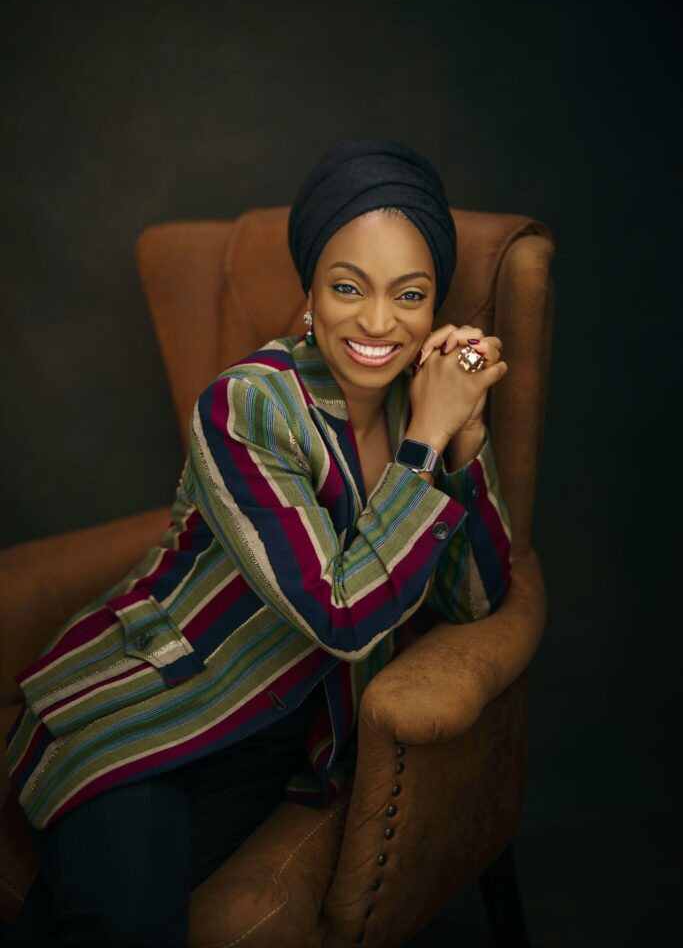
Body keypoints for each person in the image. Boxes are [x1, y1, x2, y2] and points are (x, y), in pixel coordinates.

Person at [3, 138, 512, 946]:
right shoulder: (248, 405)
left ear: (433, 306)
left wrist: (464, 438)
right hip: (148, 705)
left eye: (409, 295)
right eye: (347, 287)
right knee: (122, 923)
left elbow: (477, 598)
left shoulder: (421, 405)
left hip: (267, 742)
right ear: (309, 292)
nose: (378, 322)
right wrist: (425, 445)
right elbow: (341, 614)